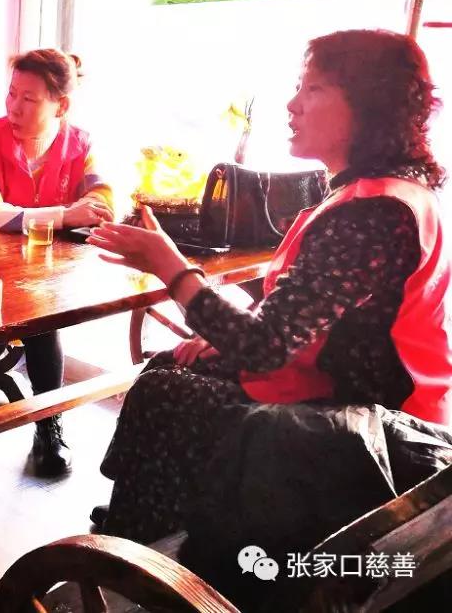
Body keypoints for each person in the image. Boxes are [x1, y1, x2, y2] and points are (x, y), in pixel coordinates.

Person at [87, 28, 452, 543]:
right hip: (340, 394)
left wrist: (170, 267)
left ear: (369, 106)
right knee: (169, 364)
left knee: (167, 392)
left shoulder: (374, 212)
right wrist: (221, 334)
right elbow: (305, 315)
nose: (292, 104)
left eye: (313, 88)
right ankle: (151, 515)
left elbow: (265, 347)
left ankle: (139, 542)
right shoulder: (382, 194)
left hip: (368, 432)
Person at [0, 48, 115, 477]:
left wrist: (81, 211)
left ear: (62, 105)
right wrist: (65, 215)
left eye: (29, 98)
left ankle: (45, 424)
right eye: (12, 93)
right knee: (4, 320)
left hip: (35, 274)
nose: (14, 107)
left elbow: (104, 202)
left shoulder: (81, 144)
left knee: (39, 317)